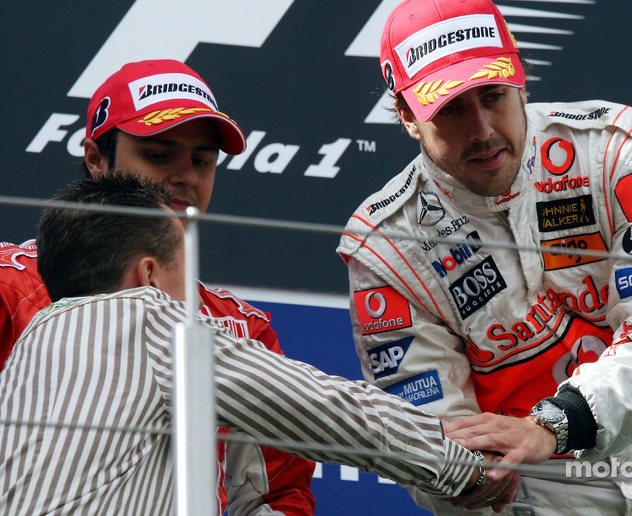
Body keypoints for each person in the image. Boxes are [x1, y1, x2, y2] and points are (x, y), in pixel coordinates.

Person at [337, 0, 632, 514]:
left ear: (522, 82)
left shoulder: (615, 149)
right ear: (406, 115)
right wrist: (467, 474)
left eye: (493, 97)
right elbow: (429, 434)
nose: (483, 131)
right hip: (541, 497)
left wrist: (550, 425)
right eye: (450, 110)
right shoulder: (384, 250)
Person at [0, 173, 503, 514]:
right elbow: (322, 409)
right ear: (149, 274)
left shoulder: (22, 355)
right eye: (185, 268)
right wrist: (459, 461)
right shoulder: (147, 315)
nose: (192, 294)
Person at [0, 59, 315, 515]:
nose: (184, 175)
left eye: (202, 161)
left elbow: (277, 495)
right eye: (159, 155)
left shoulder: (242, 328)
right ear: (95, 159)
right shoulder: (10, 287)